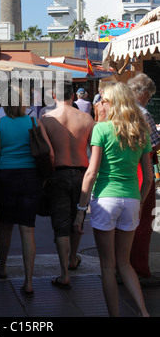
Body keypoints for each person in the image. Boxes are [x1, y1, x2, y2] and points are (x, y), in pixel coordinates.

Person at [74, 82, 153, 317]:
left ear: (114, 103)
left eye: (103, 100)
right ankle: (144, 312)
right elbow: (148, 178)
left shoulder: (102, 129)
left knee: (108, 266)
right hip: (131, 199)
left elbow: (91, 172)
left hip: (105, 199)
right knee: (125, 263)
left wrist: (81, 208)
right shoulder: (141, 130)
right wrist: (139, 202)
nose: (99, 103)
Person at [0, 86, 54, 296]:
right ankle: (29, 281)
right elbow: (47, 153)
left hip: (5, 178)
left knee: (5, 226)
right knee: (28, 229)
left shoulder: (0, 124)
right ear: (24, 102)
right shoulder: (34, 122)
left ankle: (3, 267)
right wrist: (44, 178)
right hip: (30, 178)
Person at [41, 81, 95, 289]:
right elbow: (93, 150)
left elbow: (47, 154)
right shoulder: (87, 118)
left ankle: (64, 272)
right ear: (73, 95)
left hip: (58, 175)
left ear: (54, 95)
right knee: (77, 219)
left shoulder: (46, 120)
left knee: (61, 224)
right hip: (82, 174)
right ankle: (73, 257)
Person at [127, 73, 160, 286]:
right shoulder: (144, 113)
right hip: (141, 169)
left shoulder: (116, 110)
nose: (148, 100)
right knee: (142, 222)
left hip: (120, 171)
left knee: (124, 222)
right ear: (144, 94)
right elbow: (154, 144)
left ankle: (122, 267)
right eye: (149, 96)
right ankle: (139, 269)